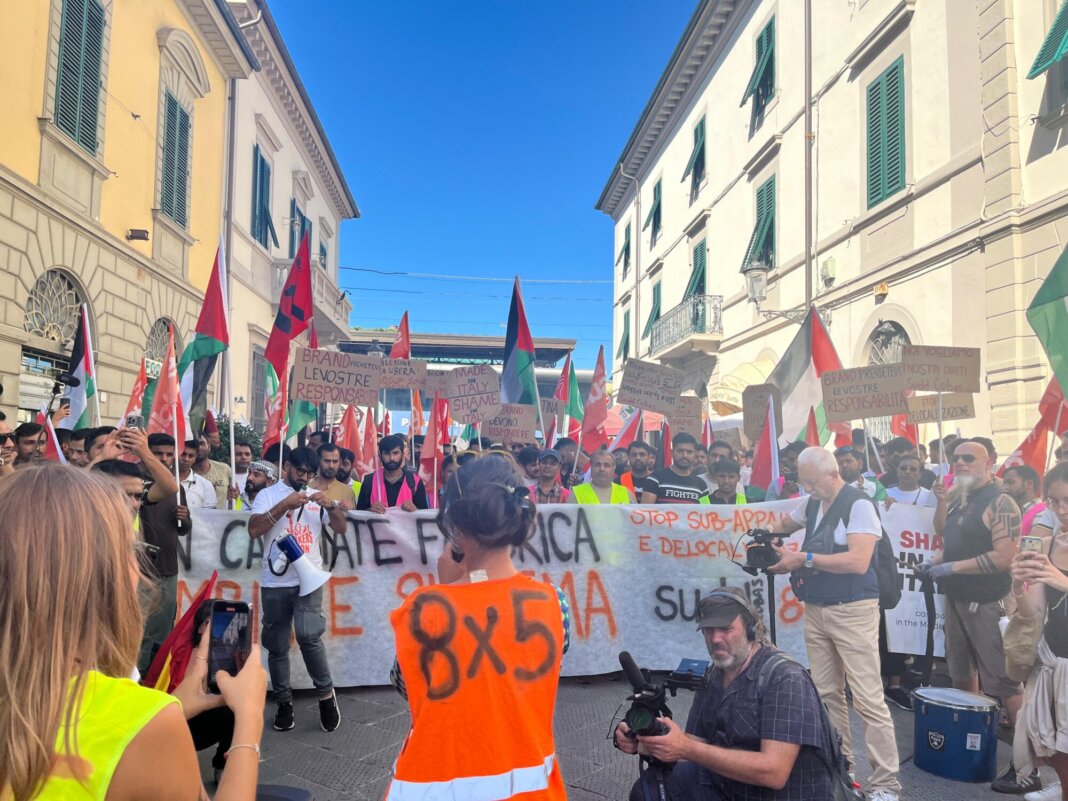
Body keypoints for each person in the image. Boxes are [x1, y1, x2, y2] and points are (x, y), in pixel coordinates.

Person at [0, 464, 267, 801]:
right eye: (130, 549)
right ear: (100, 574)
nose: (140, 573)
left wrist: (172, 705)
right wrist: (249, 720)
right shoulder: (146, 725)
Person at [387, 456, 568, 801]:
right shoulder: (553, 602)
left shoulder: (421, 608)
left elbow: (409, 687)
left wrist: (447, 589)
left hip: (432, 785)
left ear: (455, 523)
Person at [768, 446, 901, 801]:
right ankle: (844, 771)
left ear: (833, 474)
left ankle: (887, 783)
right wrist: (767, 536)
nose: (808, 489)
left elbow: (859, 561)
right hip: (818, 607)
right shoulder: (813, 501)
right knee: (827, 694)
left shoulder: (858, 504)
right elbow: (786, 522)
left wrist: (803, 558)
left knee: (868, 698)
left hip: (853, 608)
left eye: (812, 482)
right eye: (803, 483)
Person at [614, 588, 833, 801]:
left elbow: (774, 772)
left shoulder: (785, 678)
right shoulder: (715, 674)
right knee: (647, 790)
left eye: (726, 629)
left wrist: (686, 748)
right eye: (709, 630)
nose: (716, 638)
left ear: (750, 629)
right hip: (726, 786)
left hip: (781, 795)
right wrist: (643, 742)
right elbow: (693, 743)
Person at [923, 438, 1030, 793]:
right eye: (956, 459)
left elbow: (1004, 557)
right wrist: (939, 561)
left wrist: (953, 566)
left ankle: (1025, 766)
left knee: (1005, 684)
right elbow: (943, 534)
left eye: (969, 458)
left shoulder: (1001, 502)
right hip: (956, 600)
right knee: (961, 674)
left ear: (990, 462)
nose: (961, 464)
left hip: (988, 603)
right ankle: (968, 746)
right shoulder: (959, 496)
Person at [248, 445, 347, 733]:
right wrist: (285, 505)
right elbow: (254, 530)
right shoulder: (268, 495)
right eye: (299, 471)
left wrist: (330, 505)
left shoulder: (316, 496)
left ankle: (326, 696)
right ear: (287, 467)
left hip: (308, 578)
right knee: (276, 643)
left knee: (308, 634)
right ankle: (283, 702)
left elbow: (340, 529)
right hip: (275, 580)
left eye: (309, 473)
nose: (304, 477)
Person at [1010, 462, 1068, 801]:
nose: (1062, 510)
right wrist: (1020, 583)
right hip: (1053, 663)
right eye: (1054, 501)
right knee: (1055, 755)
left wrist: (1064, 582)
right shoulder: (1052, 542)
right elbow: (1034, 611)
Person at [137, 433, 191, 673]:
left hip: (168, 569)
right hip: (141, 570)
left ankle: (155, 685)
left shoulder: (175, 485)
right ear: (147, 452)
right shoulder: (134, 482)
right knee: (141, 635)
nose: (165, 459)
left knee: (162, 634)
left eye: (169, 454)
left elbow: (183, 530)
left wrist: (185, 518)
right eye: (158, 453)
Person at [356, 434, 429, 512]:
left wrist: (415, 510)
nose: (391, 458)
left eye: (395, 453)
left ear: (402, 454)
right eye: (387, 454)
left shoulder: (415, 482)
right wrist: (370, 510)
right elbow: (358, 515)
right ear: (380, 456)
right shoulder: (369, 481)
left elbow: (424, 517)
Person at [641, 433, 711, 505]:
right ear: (672, 452)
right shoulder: (655, 478)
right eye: (680, 451)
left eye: (689, 452)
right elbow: (645, 511)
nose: (684, 455)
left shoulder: (702, 485)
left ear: (695, 454)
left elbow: (705, 512)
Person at [568, 448, 635, 504]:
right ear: (591, 467)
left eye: (606, 465)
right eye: (597, 465)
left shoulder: (626, 494)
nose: (602, 469)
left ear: (614, 467)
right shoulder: (576, 493)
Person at [309, 442, 356, 510]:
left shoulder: (348, 492)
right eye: (327, 461)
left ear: (339, 462)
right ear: (318, 460)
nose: (331, 466)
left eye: (335, 461)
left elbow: (349, 519)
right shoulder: (306, 485)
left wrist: (350, 509)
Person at [193, 432, 234, 509]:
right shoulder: (184, 474)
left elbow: (235, 498)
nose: (199, 448)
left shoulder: (224, 469)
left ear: (209, 446)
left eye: (202, 443)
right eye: (195, 445)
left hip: (221, 520)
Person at [1004, 465, 1047, 536]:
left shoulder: (1042, 514)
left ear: (1029, 484)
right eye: (1004, 483)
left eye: (1010, 483)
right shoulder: (1012, 511)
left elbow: (1035, 545)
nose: (1005, 487)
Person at [178, 439, 217, 509]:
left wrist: (188, 516)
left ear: (195, 458)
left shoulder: (206, 485)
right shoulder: (161, 480)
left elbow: (209, 516)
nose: (186, 459)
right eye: (183, 454)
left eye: (191, 456)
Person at [232, 438, 254, 507]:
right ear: (230, 457)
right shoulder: (224, 477)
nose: (244, 457)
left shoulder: (256, 479)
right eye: (238, 454)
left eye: (247, 454)